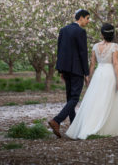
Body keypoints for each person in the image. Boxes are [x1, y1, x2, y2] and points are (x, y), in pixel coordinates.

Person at [65, 23, 118, 140]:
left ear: (102, 34)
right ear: (112, 34)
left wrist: (88, 76)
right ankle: (105, 126)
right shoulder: (115, 46)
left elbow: (92, 63)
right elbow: (115, 64)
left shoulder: (95, 46)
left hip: (98, 74)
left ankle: (90, 124)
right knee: (107, 100)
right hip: (109, 75)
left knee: (95, 99)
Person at [48, 9, 90, 138]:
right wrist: (86, 73)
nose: (88, 21)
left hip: (65, 68)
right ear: (81, 18)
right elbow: (83, 53)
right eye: (87, 18)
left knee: (69, 98)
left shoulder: (63, 30)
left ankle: (73, 127)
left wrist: (61, 70)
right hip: (76, 69)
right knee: (74, 98)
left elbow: (60, 50)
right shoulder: (80, 32)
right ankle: (57, 120)